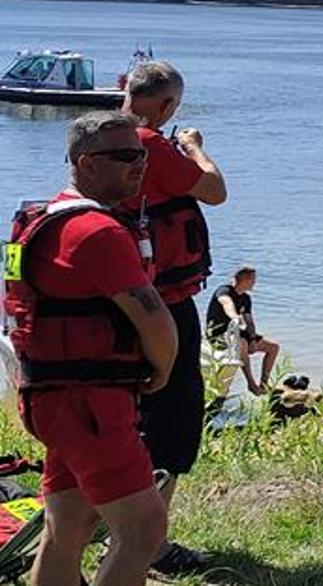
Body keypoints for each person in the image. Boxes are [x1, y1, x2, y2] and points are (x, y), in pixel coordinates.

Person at [5, 111, 176, 586]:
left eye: (140, 153)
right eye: (122, 156)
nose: (138, 164)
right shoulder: (96, 232)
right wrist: (162, 369)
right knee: (143, 528)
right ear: (85, 163)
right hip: (88, 401)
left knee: (69, 526)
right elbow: (153, 315)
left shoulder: (43, 219)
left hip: (54, 396)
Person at [118, 60, 226, 576]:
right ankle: (151, 544)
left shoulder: (102, 144)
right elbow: (214, 190)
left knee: (131, 419)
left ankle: (116, 526)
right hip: (166, 304)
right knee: (174, 422)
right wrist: (195, 146)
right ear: (166, 107)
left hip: (120, 300)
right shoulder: (155, 147)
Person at [205, 266, 280, 396]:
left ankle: (264, 384)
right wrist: (235, 317)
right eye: (253, 280)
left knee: (273, 347)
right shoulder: (224, 291)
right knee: (242, 344)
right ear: (244, 280)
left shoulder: (246, 298)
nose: (255, 283)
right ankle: (251, 384)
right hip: (219, 335)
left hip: (240, 335)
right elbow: (227, 304)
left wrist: (252, 339)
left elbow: (249, 321)